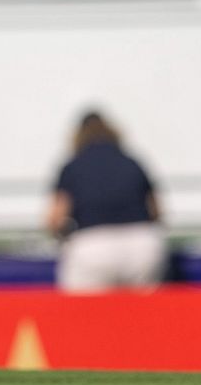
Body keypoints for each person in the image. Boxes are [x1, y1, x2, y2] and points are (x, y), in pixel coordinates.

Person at [45, 111, 165, 293]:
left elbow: (54, 219)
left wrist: (64, 237)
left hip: (92, 246)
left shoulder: (73, 166)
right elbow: (157, 211)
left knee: (83, 317)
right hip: (141, 246)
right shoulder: (132, 162)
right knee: (142, 315)